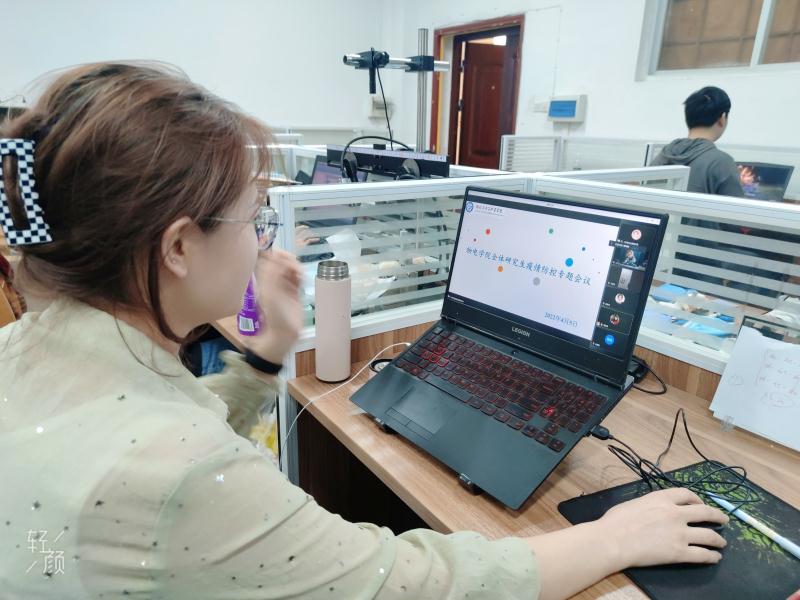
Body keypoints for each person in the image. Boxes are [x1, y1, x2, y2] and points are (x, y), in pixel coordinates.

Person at [0, 62, 729, 600]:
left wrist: (267, 353)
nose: (263, 239)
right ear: (179, 247)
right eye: (253, 218)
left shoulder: (22, 353)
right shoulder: (182, 474)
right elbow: (412, 584)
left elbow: (168, 433)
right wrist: (610, 538)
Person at [650, 86, 744, 197]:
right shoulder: (722, 163)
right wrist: (735, 182)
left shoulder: (663, 155)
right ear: (722, 118)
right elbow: (737, 206)